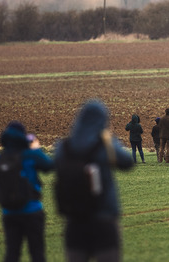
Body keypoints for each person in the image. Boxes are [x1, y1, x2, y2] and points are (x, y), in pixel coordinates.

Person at [54, 100, 134, 262]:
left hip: (74, 218)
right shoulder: (104, 145)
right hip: (103, 216)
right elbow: (127, 162)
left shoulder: (64, 147)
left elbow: (52, 165)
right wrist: (110, 140)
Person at [0, 121, 54, 262]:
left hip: (9, 213)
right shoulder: (31, 156)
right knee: (37, 253)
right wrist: (36, 149)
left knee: (12, 253)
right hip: (32, 211)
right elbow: (49, 166)